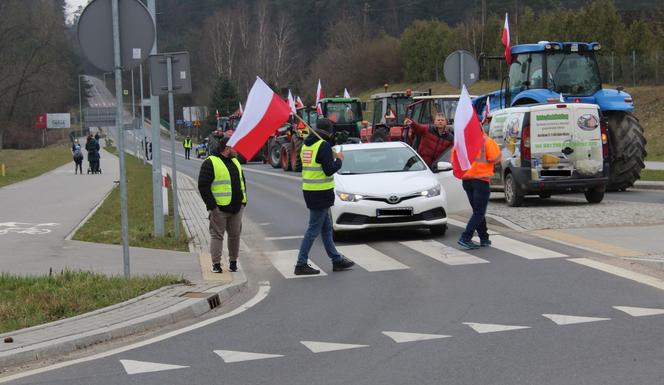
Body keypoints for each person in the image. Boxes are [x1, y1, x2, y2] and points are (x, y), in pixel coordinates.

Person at [294, 118, 355, 275]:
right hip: (321, 192)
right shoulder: (323, 145)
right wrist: (339, 160)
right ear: (328, 130)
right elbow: (329, 170)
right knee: (313, 229)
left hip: (310, 190)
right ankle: (301, 263)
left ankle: (336, 260)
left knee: (326, 228)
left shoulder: (307, 145)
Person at [197, 134, 246, 273]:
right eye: (234, 147)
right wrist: (212, 206)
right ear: (227, 148)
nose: (236, 150)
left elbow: (242, 182)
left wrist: (244, 201)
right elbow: (203, 186)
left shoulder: (235, 161)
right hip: (219, 209)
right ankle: (216, 264)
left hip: (237, 208)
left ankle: (233, 262)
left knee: (235, 235)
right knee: (217, 236)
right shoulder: (210, 162)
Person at [451, 131, 501, 250]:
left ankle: (484, 237)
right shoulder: (486, 140)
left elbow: (454, 160)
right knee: (479, 211)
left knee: (477, 211)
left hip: (467, 180)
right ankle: (466, 237)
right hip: (481, 179)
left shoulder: (461, 142)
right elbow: (495, 158)